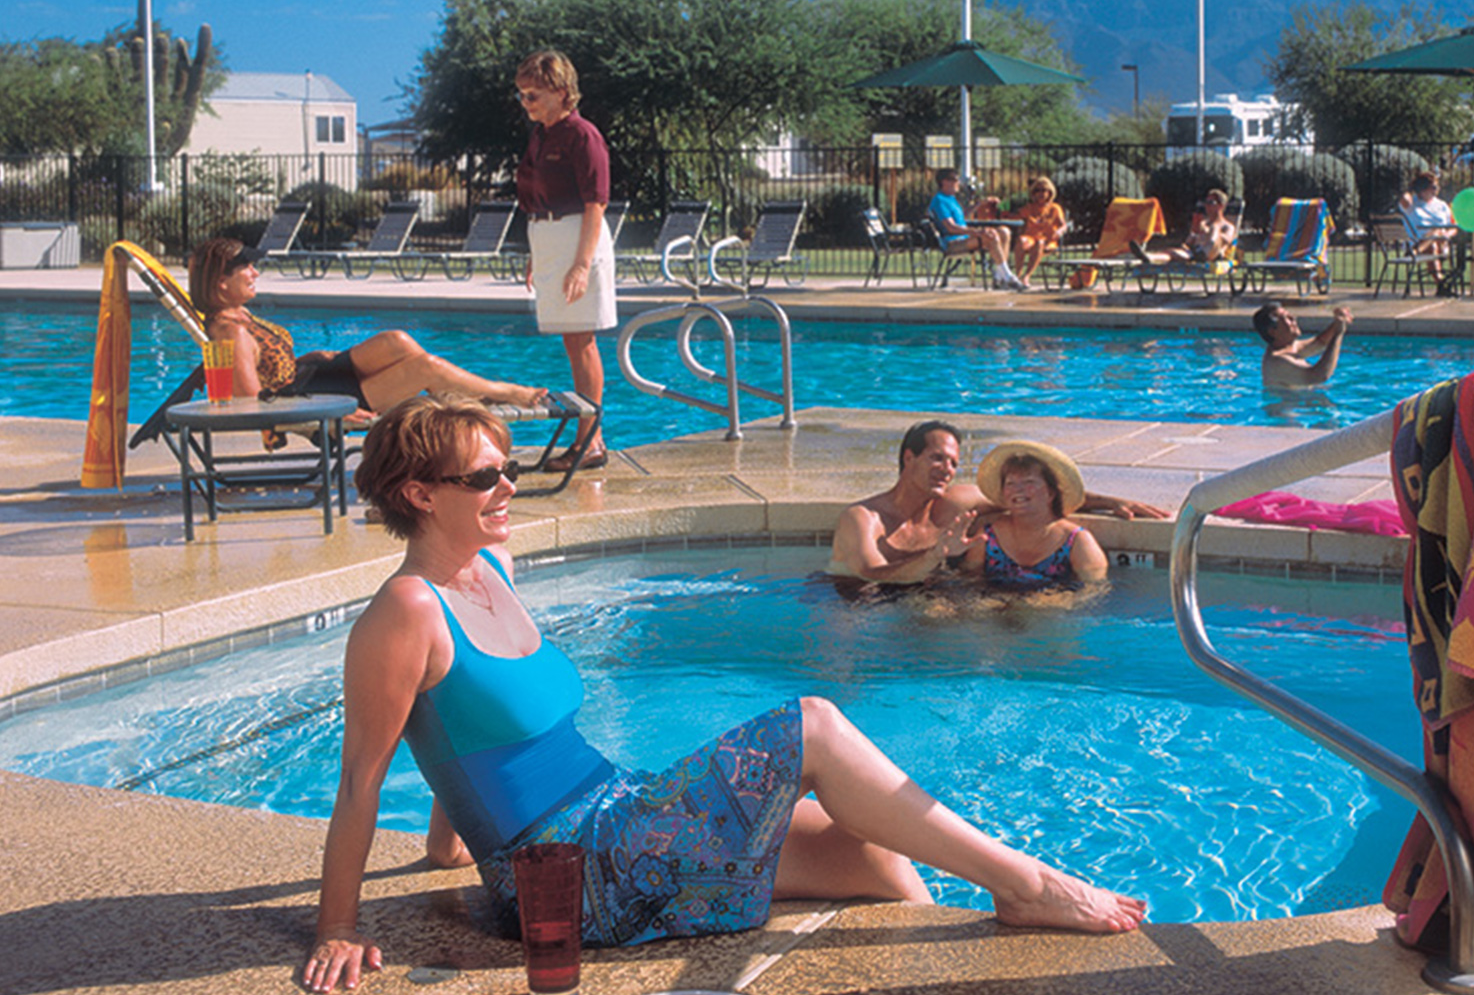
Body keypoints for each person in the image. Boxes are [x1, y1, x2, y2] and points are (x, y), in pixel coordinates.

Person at [302, 397, 1144, 993]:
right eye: (486, 478)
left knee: (879, 853)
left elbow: (460, 725)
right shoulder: (406, 611)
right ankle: (1027, 887)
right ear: (419, 495)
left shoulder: (490, 565)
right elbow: (361, 779)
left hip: (616, 814)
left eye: (509, 467)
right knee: (812, 722)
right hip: (571, 876)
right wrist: (338, 926)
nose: (510, 487)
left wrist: (452, 841)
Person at [187, 237, 544, 422]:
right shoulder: (229, 333)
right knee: (426, 367)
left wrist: (308, 359)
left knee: (396, 340)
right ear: (220, 284)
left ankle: (455, 394)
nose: (255, 273)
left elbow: (271, 365)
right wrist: (330, 416)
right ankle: (505, 392)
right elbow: (252, 403)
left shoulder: (238, 314)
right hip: (315, 398)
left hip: (314, 374)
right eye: (246, 269)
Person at [829, 420, 1167, 585]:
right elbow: (874, 576)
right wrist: (934, 556)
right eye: (937, 459)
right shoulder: (864, 519)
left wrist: (1106, 501)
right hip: (857, 606)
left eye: (953, 464)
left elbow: (1026, 498)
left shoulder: (955, 502)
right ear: (909, 457)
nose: (947, 470)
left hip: (923, 604)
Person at [515, 50, 614, 471]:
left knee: (582, 340)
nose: (526, 103)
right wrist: (537, 256)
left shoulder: (582, 135)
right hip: (550, 237)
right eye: (521, 95)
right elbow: (536, 199)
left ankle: (590, 441)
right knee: (571, 341)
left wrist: (579, 265)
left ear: (560, 92)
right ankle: (590, 438)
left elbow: (597, 203)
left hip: (580, 237)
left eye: (533, 95)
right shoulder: (541, 136)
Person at [960, 441, 1108, 596]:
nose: (1018, 489)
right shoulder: (988, 537)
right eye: (1010, 483)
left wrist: (1050, 603)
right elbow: (969, 582)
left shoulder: (1076, 541)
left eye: (1029, 482)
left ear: (1051, 493)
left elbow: (1093, 591)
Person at [929, 168, 1026, 291]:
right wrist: (976, 232)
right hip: (952, 243)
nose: (958, 183)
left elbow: (961, 216)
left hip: (964, 239)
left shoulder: (951, 199)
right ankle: (1008, 277)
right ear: (945, 182)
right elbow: (951, 227)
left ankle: (999, 277)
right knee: (990, 236)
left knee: (1004, 232)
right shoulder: (940, 200)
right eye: (955, 180)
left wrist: (980, 204)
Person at [1252, 300, 1353, 388]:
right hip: (1290, 409)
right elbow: (1320, 375)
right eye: (1286, 317)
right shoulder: (1276, 361)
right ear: (1272, 331)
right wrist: (1338, 333)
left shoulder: (1290, 346)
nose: (1293, 318)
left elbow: (1320, 342)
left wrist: (1338, 322)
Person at [1130, 188, 1236, 265]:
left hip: (1213, 254)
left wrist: (1209, 231)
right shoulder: (1204, 223)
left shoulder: (1227, 226)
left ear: (1221, 206)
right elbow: (1188, 244)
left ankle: (1204, 253)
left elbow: (1226, 240)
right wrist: (1194, 234)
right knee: (1171, 253)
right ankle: (1148, 257)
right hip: (1195, 253)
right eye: (1206, 202)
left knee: (1214, 228)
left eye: (1211, 202)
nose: (1207, 206)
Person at [1397, 173, 1457, 284]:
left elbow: (1454, 226)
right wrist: (1411, 189)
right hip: (1416, 241)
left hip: (1442, 243)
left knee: (1437, 232)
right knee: (1434, 239)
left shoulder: (1442, 205)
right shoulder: (1411, 204)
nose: (1437, 189)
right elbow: (1404, 199)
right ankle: (1440, 282)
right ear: (1422, 188)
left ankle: (1417, 250)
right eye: (1433, 187)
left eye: (1437, 186)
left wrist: (1447, 234)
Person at [1010, 176, 1067, 284]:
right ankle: (1017, 275)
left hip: (1047, 241)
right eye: (1037, 190)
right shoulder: (1029, 207)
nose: (1040, 193)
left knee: (1040, 243)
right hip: (1031, 239)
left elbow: (1063, 225)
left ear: (1050, 192)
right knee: (1022, 240)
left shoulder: (1055, 208)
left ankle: (1026, 277)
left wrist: (1059, 232)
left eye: (1044, 190)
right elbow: (1014, 217)